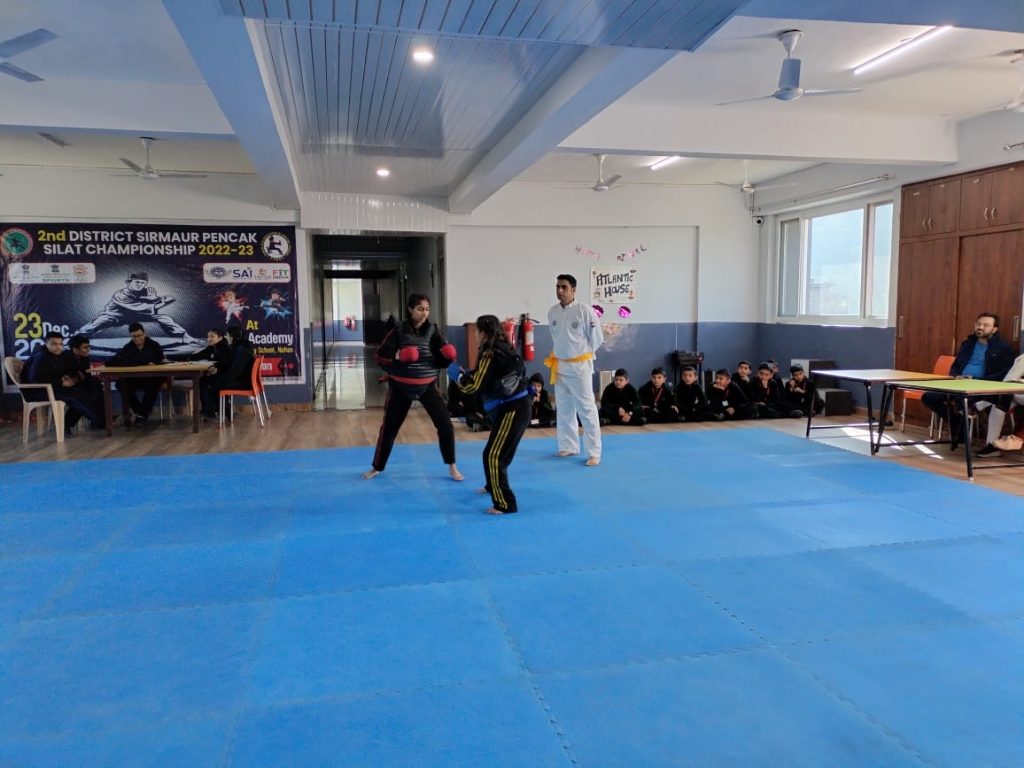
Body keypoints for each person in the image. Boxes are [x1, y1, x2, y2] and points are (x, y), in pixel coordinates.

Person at [364, 294, 463, 481]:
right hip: (401, 387)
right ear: (410, 309)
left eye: (427, 309)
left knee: (445, 424)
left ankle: (452, 466)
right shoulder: (397, 331)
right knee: (389, 429)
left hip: (427, 386)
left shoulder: (433, 331)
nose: (424, 313)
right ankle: (377, 467)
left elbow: (441, 360)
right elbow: (380, 357)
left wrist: (448, 357)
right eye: (420, 309)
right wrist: (398, 358)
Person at [451, 315, 531, 514]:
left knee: (494, 456)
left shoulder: (490, 352)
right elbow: (487, 376)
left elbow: (474, 386)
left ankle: (505, 504)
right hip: (514, 407)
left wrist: (457, 376)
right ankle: (492, 486)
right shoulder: (504, 346)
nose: (476, 335)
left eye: (477, 331)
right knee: (494, 453)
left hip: (513, 409)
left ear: (483, 333)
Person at [922, 312, 1015, 449]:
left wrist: (976, 379)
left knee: (962, 400)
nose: (981, 327)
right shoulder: (967, 344)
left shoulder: (1003, 348)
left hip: (982, 387)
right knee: (928, 397)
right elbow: (955, 366)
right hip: (959, 383)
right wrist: (956, 375)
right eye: (979, 324)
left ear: (994, 329)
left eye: (986, 325)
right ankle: (957, 424)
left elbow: (1004, 373)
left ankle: (963, 433)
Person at [545, 274, 604, 466]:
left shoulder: (584, 310)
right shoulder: (552, 312)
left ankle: (594, 453)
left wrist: (583, 354)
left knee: (586, 408)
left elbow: (597, 339)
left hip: (579, 366)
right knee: (564, 407)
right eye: (557, 287)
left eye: (564, 287)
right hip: (560, 365)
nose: (560, 290)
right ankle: (569, 445)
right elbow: (557, 338)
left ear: (573, 290)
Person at [73, 272, 200, 346]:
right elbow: (142, 308)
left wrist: (156, 298)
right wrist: (158, 302)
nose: (140, 285)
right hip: (115, 315)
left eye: (142, 283)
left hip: (136, 316)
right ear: (128, 283)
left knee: (164, 318)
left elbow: (167, 298)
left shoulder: (146, 291)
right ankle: (76, 338)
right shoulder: (120, 294)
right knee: (99, 322)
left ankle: (185, 337)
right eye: (137, 282)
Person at [24, 332, 102, 434]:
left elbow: (59, 373)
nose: (58, 347)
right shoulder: (41, 357)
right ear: (46, 344)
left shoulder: (55, 356)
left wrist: (66, 378)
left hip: (51, 388)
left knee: (86, 389)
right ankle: (99, 422)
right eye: (54, 344)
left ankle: (98, 421)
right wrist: (61, 382)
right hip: (37, 392)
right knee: (76, 396)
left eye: (61, 344)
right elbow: (34, 380)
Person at [106, 322, 166, 428]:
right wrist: (141, 362)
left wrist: (140, 361)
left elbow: (161, 361)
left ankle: (142, 415)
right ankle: (141, 412)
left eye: (139, 335)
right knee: (120, 384)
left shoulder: (154, 345)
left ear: (144, 333)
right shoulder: (128, 347)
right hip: (135, 378)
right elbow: (112, 361)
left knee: (154, 384)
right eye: (134, 336)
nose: (137, 339)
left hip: (152, 378)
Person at [975, 352, 1024, 457]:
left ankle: (983, 402)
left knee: (1004, 396)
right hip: (1017, 392)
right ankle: (991, 446)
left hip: (1016, 390)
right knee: (1001, 403)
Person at [185, 328, 233, 419]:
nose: (209, 339)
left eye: (212, 336)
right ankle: (212, 410)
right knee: (204, 380)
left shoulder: (225, 348)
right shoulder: (212, 348)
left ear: (220, 338)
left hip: (226, 378)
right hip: (218, 376)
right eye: (208, 337)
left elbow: (226, 364)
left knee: (204, 381)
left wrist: (216, 368)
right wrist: (180, 359)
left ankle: (209, 411)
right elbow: (195, 357)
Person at [67, 334, 106, 425]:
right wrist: (78, 377)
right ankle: (100, 420)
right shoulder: (65, 358)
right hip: (67, 387)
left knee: (95, 384)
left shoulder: (85, 358)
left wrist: (79, 377)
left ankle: (101, 419)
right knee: (88, 393)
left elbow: (86, 376)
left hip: (81, 384)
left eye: (88, 347)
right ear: (75, 349)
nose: (88, 349)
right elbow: (69, 376)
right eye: (85, 347)